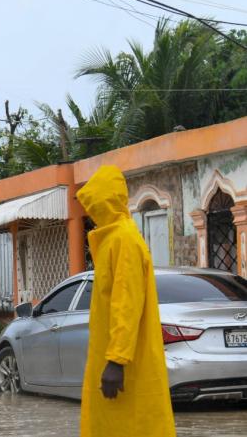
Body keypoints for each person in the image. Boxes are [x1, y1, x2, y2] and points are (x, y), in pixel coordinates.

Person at [76, 165, 175, 437]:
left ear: (104, 200)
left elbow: (126, 303)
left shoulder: (124, 241)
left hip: (125, 365)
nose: (90, 212)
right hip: (113, 359)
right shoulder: (112, 239)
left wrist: (116, 361)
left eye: (92, 204)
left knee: (134, 426)